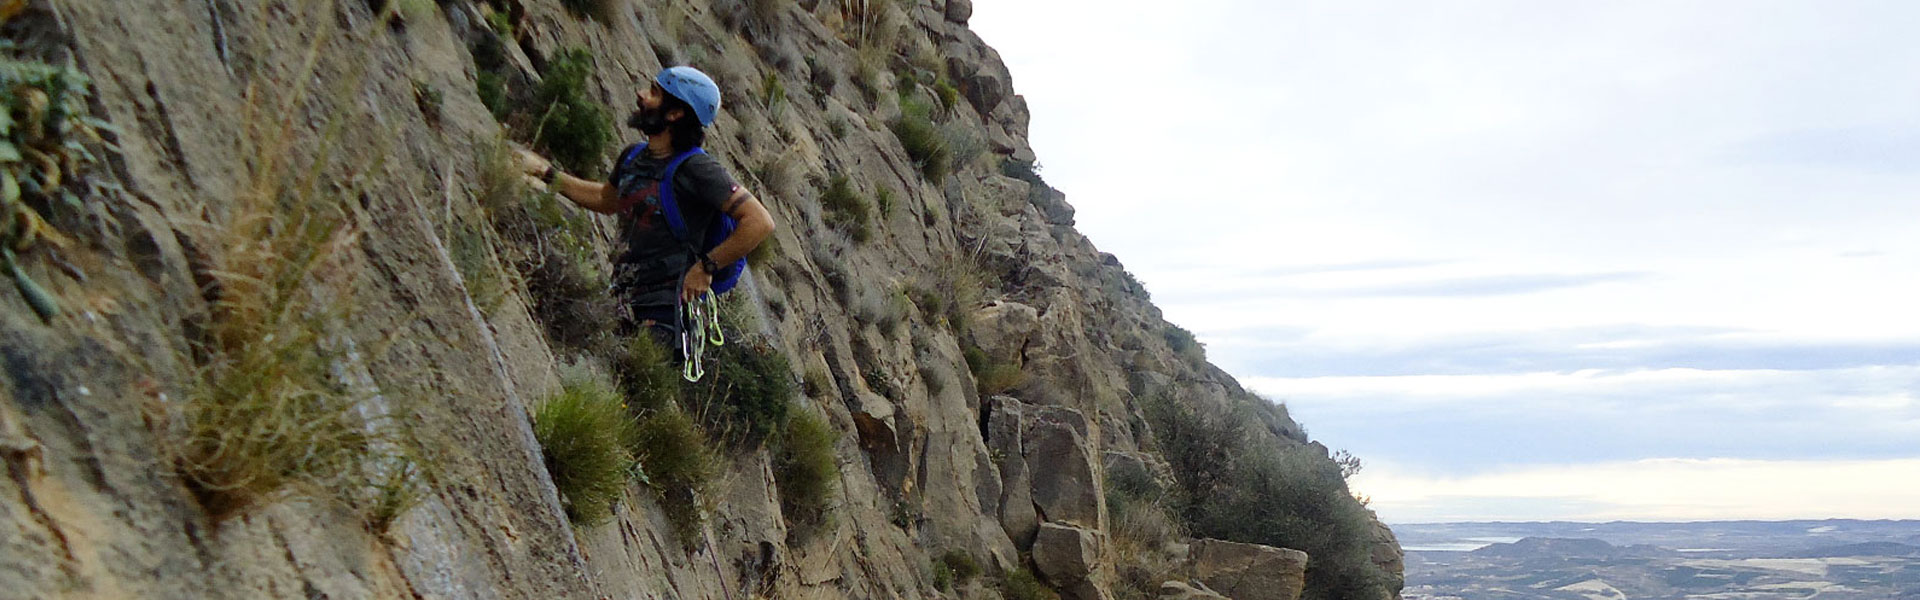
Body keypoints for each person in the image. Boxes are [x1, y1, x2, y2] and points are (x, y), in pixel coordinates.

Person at [517, 66, 775, 346]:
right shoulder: (634, 156)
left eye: (653, 92)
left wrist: (706, 267)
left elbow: (759, 222)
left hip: (666, 315)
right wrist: (547, 174)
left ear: (675, 114)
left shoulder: (698, 168)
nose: (640, 95)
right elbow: (606, 199)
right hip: (624, 298)